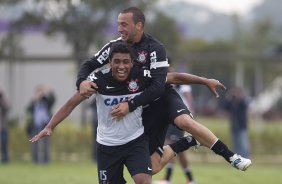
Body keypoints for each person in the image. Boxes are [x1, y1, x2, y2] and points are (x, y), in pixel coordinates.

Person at [76, 7, 251, 171]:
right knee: (152, 168)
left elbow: (163, 83)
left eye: (124, 24)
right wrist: (81, 81)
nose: (119, 28)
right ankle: (188, 142)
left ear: (139, 25)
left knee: (184, 122)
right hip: (144, 108)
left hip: (163, 98)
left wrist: (130, 105)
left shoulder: (155, 48)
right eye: (118, 24)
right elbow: (90, 63)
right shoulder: (115, 47)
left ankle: (231, 157)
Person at [30, 42, 223, 183]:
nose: (121, 66)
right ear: (110, 62)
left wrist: (205, 80)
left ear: (132, 63)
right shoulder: (98, 80)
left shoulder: (141, 78)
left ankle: (186, 142)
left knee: (143, 180)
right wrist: (49, 126)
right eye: (116, 62)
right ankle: (187, 142)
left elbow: (174, 77)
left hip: (135, 142)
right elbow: (71, 104)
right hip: (107, 145)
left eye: (125, 62)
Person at [156, 84, 196, 184]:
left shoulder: (183, 86)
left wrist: (190, 113)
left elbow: (188, 98)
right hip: (171, 117)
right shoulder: (169, 84)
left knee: (171, 145)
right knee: (179, 150)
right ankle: (190, 179)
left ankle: (167, 178)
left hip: (179, 117)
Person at [26, 85, 55, 164]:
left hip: (45, 125)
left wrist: (51, 93)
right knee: (34, 143)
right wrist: (35, 100)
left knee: (46, 144)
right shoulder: (33, 101)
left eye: (42, 92)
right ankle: (35, 161)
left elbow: (52, 100)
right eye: (39, 92)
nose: (40, 94)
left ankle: (45, 161)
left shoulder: (46, 100)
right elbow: (28, 110)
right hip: (35, 125)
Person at [224, 87, 250, 158]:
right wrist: (228, 98)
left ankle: (246, 158)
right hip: (234, 126)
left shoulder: (242, 101)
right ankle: (237, 158)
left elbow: (244, 105)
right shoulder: (232, 102)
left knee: (243, 144)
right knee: (235, 144)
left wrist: (238, 98)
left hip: (242, 126)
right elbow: (226, 107)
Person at [0, 89, 10, 163]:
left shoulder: (2, 100)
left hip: (2, 127)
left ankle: (5, 159)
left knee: (4, 144)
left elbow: (7, 107)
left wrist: (1, 97)